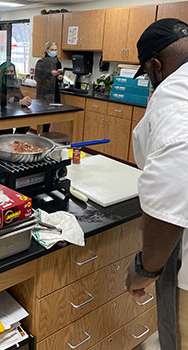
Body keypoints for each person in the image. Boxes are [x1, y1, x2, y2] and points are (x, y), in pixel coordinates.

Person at [125, 18, 188, 350]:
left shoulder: (175, 101)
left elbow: (170, 198)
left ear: (155, 65)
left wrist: (145, 269)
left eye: (148, 74)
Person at [0, 61, 31, 135]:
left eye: (12, 71)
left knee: (26, 122)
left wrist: (25, 99)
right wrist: (19, 102)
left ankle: (16, 140)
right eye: (7, 71)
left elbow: (18, 95)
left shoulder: (12, 81)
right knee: (7, 129)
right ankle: (6, 143)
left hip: (10, 109)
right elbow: (0, 99)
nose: (9, 74)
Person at [34, 41, 63, 132]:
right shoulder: (41, 62)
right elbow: (37, 76)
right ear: (46, 50)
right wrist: (50, 73)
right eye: (52, 50)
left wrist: (59, 77)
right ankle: (40, 133)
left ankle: (46, 133)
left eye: (55, 50)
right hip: (44, 92)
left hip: (54, 91)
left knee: (50, 115)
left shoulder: (57, 62)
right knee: (42, 114)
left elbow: (59, 78)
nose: (54, 52)